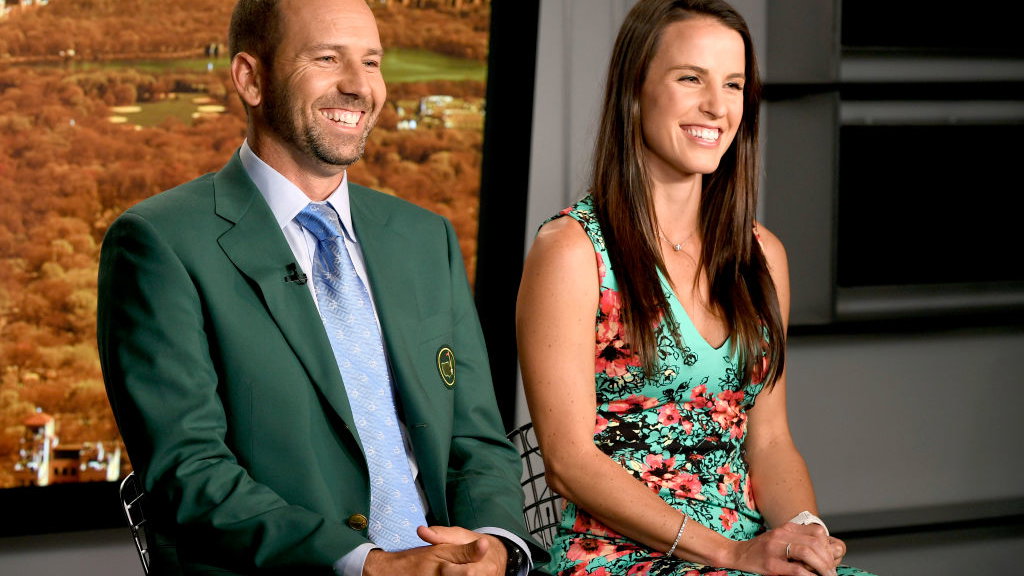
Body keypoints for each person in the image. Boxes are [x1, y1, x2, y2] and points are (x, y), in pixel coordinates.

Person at [96, 0, 545, 574]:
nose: (360, 86)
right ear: (251, 78)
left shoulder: (423, 236)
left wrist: (494, 546)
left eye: (373, 63)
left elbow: (477, 438)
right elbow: (190, 471)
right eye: (328, 58)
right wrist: (372, 564)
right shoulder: (159, 244)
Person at [515, 1, 877, 575]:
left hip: (749, 550)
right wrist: (730, 553)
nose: (717, 106)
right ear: (635, 89)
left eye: (733, 84)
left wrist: (805, 532)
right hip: (622, 555)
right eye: (691, 78)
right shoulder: (571, 251)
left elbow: (771, 441)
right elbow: (568, 463)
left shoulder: (762, 256)